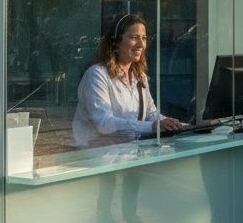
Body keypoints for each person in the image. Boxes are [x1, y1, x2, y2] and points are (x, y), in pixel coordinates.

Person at [72, 13, 182, 146]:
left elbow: (151, 114)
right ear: (116, 41)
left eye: (144, 38)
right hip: (96, 155)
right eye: (134, 37)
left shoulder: (139, 76)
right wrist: (152, 126)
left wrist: (174, 124)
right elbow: (104, 123)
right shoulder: (96, 75)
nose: (141, 44)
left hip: (128, 152)